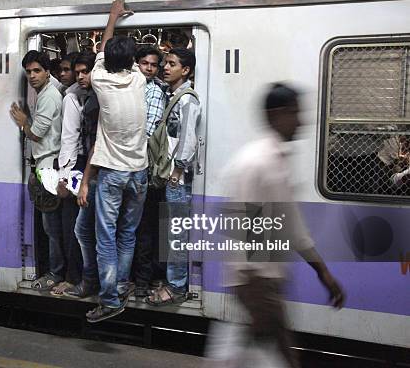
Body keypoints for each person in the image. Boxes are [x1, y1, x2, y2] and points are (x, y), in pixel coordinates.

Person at [221, 83, 345, 367]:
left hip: (265, 281)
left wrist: (322, 271)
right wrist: (256, 290)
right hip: (257, 280)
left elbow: (292, 225)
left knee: (257, 355)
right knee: (282, 357)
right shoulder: (256, 162)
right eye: (295, 112)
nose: (302, 120)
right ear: (277, 114)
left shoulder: (276, 161)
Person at [84, 0, 149, 323]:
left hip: (112, 171)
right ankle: (121, 285)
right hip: (140, 172)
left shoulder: (99, 80)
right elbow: (118, 55)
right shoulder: (139, 80)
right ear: (132, 62)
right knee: (128, 232)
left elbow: (105, 49)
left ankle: (109, 299)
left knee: (105, 236)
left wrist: (111, 17)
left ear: (105, 60)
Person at [147, 48, 201, 306]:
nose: (165, 68)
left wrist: (177, 173)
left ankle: (176, 287)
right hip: (172, 178)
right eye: (165, 63)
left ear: (186, 70)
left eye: (171, 64)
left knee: (176, 236)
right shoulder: (175, 96)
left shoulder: (187, 100)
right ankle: (173, 283)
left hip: (177, 180)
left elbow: (188, 140)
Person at [10, 50, 67, 292]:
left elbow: (36, 133)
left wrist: (23, 122)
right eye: (29, 72)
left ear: (46, 72)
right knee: (51, 225)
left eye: (37, 71)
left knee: (51, 228)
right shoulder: (50, 88)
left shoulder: (48, 96)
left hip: (48, 167)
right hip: (48, 165)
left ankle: (55, 273)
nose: (32, 76)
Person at [62, 52, 101, 298]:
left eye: (85, 71)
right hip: (80, 163)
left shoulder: (101, 96)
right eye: (77, 72)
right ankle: (76, 276)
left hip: (94, 164)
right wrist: (66, 175)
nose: (80, 77)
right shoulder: (74, 96)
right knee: (77, 225)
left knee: (83, 227)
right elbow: (70, 137)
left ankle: (85, 279)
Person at [132, 46, 167, 297]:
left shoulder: (154, 92)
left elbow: (146, 133)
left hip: (143, 167)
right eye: (144, 63)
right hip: (134, 165)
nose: (149, 68)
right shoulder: (134, 86)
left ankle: (143, 282)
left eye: (153, 65)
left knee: (143, 229)